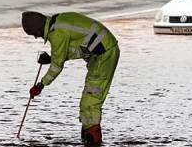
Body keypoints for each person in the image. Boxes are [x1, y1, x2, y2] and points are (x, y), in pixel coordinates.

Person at [21, 11, 120, 146]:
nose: (35, 37)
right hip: (100, 53)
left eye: (34, 34)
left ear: (38, 30)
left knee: (90, 101)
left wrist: (41, 85)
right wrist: (51, 58)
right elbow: (72, 49)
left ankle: (93, 140)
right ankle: (88, 137)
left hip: (104, 54)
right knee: (88, 101)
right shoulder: (58, 22)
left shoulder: (56, 34)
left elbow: (57, 67)